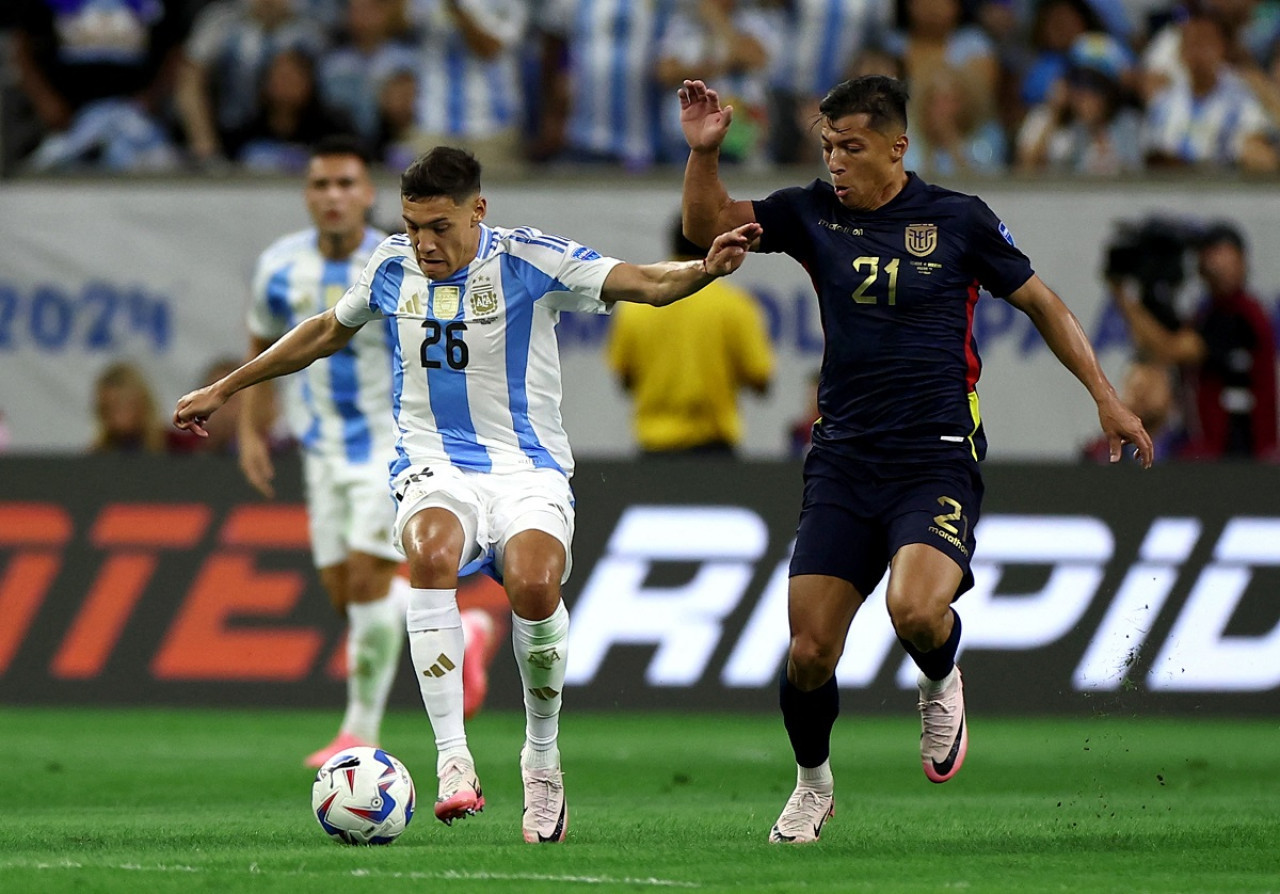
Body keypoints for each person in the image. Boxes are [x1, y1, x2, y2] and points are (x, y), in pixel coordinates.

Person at [175, 145, 759, 843]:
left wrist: (703, 269)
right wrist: (225, 388)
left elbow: (643, 282)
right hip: (432, 465)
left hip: (526, 468)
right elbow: (329, 329)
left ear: (478, 210)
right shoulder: (390, 265)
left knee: (537, 586)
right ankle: (454, 762)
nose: (424, 243)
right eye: (414, 225)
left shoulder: (528, 261)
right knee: (429, 552)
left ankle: (542, 763)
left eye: (440, 227)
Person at [678, 75, 1153, 844]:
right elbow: (707, 224)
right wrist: (704, 155)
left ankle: (938, 678)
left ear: (898, 147)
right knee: (808, 652)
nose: (835, 161)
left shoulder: (957, 220)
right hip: (842, 459)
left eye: (852, 147)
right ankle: (813, 784)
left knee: (918, 611)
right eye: (828, 146)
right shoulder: (810, 212)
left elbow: (1041, 302)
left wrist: (1103, 394)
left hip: (935, 455)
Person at [238, 135, 492, 769]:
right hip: (319, 446)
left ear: (367, 194)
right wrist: (251, 427)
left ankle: (359, 730)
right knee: (348, 598)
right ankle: (475, 633)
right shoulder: (279, 265)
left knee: (367, 581)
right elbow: (266, 341)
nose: (333, 197)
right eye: (321, 185)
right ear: (307, 194)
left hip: (393, 444)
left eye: (346, 185)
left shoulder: (404, 260)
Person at [607, 215, 774, 457]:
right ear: (714, 244)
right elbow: (760, 379)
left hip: (653, 450)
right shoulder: (735, 305)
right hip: (714, 451)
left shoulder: (635, 307)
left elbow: (624, 377)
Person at [1111, 222, 1277, 460]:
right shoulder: (1207, 313)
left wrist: (1123, 297)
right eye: (1208, 254)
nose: (1214, 263)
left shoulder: (1242, 314)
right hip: (1212, 450)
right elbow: (1156, 346)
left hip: (1241, 454)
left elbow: (1168, 349)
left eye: (1222, 254)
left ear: (1242, 261)